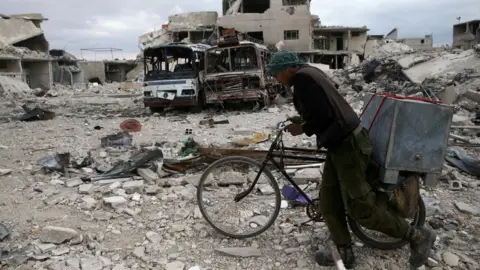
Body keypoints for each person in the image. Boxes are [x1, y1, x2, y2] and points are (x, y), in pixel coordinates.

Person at [267, 50, 436, 269]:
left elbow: (324, 116)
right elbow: (325, 108)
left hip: (348, 146)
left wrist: (303, 128)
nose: (275, 79)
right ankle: (345, 252)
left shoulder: (301, 79)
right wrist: (302, 119)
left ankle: (417, 236)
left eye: (276, 74)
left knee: (361, 209)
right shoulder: (311, 73)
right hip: (339, 145)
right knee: (329, 202)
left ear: (287, 69)